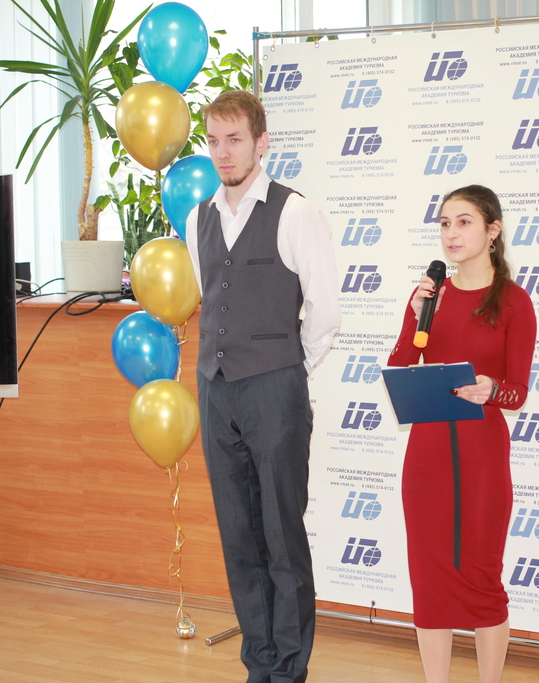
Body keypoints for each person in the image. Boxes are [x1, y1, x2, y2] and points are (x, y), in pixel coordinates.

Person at [185, 90, 341, 683]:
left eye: (235, 140)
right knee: (238, 537)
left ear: (261, 142)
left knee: (281, 535)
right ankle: (260, 664)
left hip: (275, 388)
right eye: (214, 141)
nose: (223, 152)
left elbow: (324, 313)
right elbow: (211, 297)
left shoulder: (295, 212)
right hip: (215, 390)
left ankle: (290, 670)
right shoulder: (198, 218)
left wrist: (286, 370)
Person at [388, 185, 537, 683]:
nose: (451, 233)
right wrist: (415, 317)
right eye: (445, 223)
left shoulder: (514, 302)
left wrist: (492, 389)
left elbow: (518, 392)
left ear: (493, 230)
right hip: (427, 453)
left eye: (464, 222)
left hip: (482, 453)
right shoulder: (430, 298)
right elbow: (400, 368)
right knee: (430, 580)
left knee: (481, 577)